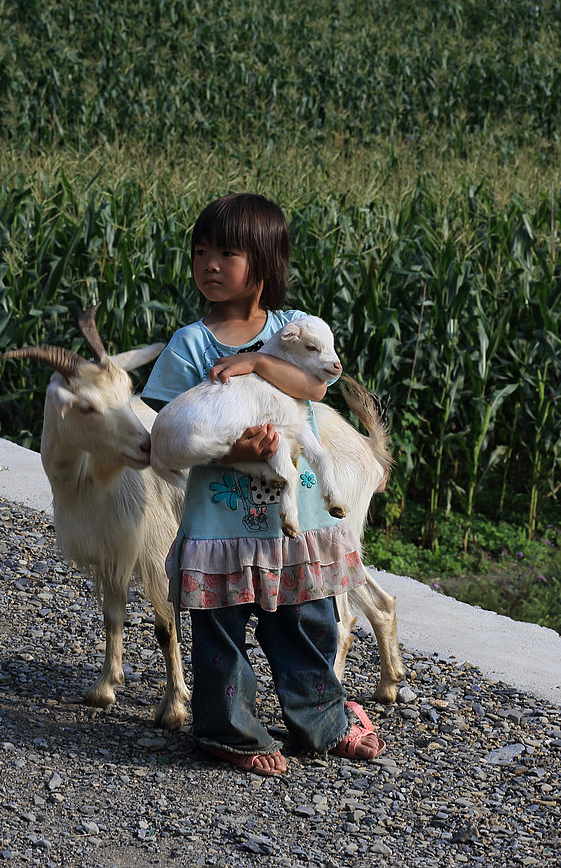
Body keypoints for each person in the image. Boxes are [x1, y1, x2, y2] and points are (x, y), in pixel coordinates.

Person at [142, 193, 385, 777]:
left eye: (228, 252)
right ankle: (230, 731)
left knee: (304, 621)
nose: (210, 264)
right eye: (201, 251)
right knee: (221, 632)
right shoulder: (190, 345)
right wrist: (231, 450)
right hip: (220, 518)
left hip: (293, 517)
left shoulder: (290, 330)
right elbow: (166, 424)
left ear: (266, 263)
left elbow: (317, 388)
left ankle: (320, 720)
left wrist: (253, 363)